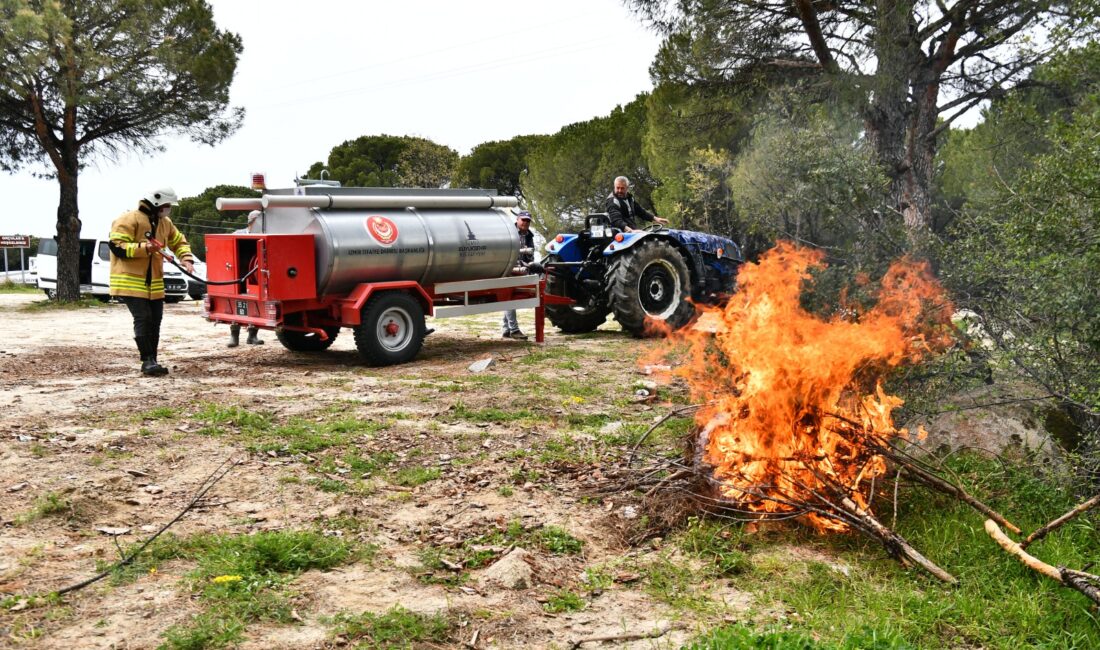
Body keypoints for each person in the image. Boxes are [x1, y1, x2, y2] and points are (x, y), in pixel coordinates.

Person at [108, 187, 195, 376]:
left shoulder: (166, 223)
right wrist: (145, 248)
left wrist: (186, 258)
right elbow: (117, 246)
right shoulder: (128, 219)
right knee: (143, 318)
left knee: (155, 320)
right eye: (166, 205)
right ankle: (147, 361)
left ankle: (152, 360)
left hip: (154, 284)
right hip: (130, 282)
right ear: (156, 203)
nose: (168, 208)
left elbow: (179, 241)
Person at [227, 211, 262, 347]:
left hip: (254, 277)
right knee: (237, 307)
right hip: (238, 277)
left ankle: (252, 336)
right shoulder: (238, 234)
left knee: (256, 308)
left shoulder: (263, 235)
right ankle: (234, 337)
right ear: (253, 221)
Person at [502, 210, 535, 340]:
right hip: (508, 269)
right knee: (509, 298)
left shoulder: (529, 236)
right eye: (523, 220)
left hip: (520, 269)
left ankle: (506, 329)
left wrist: (530, 265)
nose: (525, 223)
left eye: (528, 221)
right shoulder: (509, 232)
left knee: (509, 298)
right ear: (517, 220)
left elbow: (530, 255)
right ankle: (514, 330)